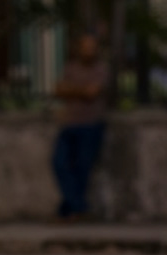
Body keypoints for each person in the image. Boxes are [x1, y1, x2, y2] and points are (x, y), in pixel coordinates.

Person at [52, 33, 108, 223]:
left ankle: (68, 211)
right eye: (85, 47)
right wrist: (80, 91)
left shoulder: (101, 69)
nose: (88, 51)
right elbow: (58, 89)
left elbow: (92, 92)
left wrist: (72, 89)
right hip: (69, 123)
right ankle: (78, 208)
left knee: (82, 167)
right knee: (59, 164)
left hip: (90, 123)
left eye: (91, 47)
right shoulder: (71, 67)